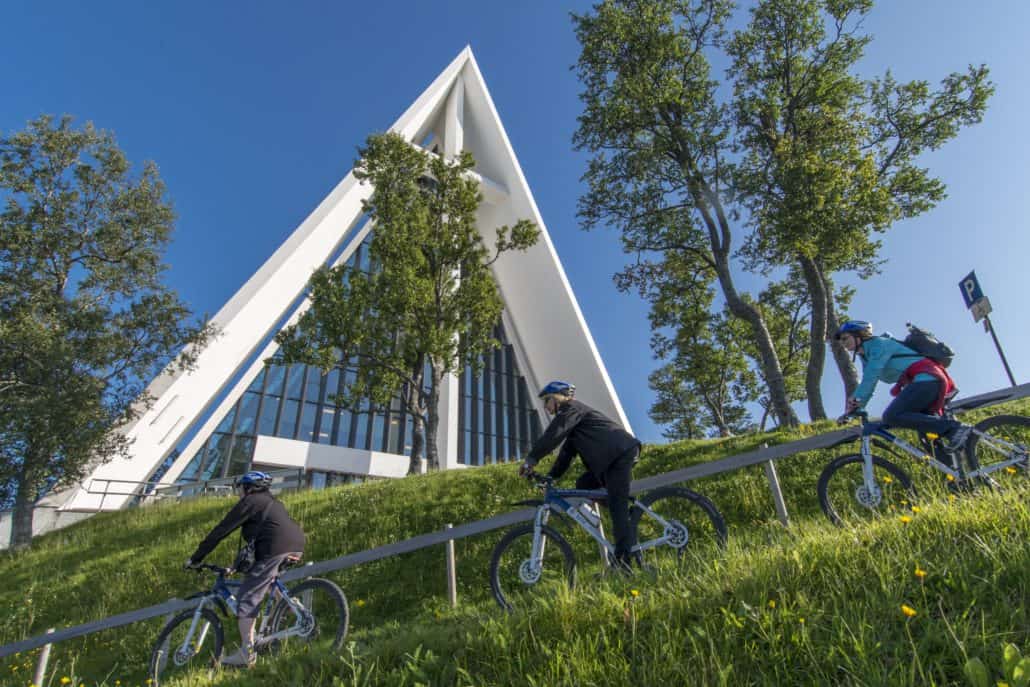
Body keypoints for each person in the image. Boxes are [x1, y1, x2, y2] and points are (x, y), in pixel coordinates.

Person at [185, 470, 306, 668]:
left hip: (274, 549)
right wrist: (235, 566)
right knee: (268, 585)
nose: (238, 492)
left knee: (247, 597)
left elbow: (221, 530)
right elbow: (260, 537)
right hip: (294, 544)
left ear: (249, 487)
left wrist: (196, 557)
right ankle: (294, 614)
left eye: (239, 487)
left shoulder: (250, 502)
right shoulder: (273, 503)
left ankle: (246, 653)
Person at [519, 381, 642, 570]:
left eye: (547, 401)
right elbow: (565, 455)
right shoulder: (576, 426)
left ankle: (623, 561)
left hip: (620, 453)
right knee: (583, 483)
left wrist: (532, 459)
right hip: (609, 461)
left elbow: (554, 434)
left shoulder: (571, 409)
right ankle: (628, 516)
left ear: (557, 398)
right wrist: (550, 477)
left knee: (618, 505)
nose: (546, 407)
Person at [834, 320, 970, 450]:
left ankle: (955, 428)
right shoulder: (865, 356)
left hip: (928, 378)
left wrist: (854, 402)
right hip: (923, 382)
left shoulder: (879, 345)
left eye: (845, 338)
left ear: (860, 335)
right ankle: (956, 467)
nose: (843, 343)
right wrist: (853, 410)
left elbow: (870, 378)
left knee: (892, 416)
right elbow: (868, 385)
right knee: (929, 438)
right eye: (841, 341)